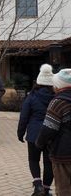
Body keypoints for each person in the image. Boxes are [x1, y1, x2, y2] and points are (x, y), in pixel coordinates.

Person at [17, 64, 54, 196]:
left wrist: (20, 133)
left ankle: (38, 186)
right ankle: (46, 188)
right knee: (49, 162)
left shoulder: (31, 96)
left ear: (38, 81)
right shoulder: (56, 97)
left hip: (34, 134)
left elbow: (24, 116)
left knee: (33, 159)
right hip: (51, 134)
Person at [36, 68, 71, 196]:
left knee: (64, 189)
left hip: (63, 153)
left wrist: (39, 143)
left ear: (58, 85)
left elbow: (48, 129)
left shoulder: (58, 102)